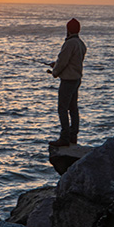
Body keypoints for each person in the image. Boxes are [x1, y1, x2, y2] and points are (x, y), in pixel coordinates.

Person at [48, 18, 87, 147]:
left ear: (68, 29)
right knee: (73, 109)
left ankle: (64, 138)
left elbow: (63, 61)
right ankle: (73, 137)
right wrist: (57, 65)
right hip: (76, 79)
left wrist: (55, 72)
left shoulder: (69, 43)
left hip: (68, 81)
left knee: (62, 109)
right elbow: (72, 62)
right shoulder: (81, 44)